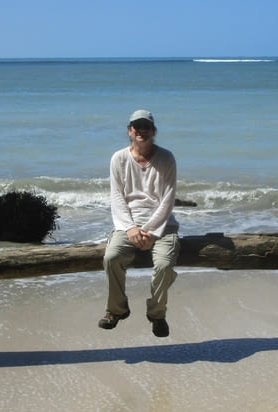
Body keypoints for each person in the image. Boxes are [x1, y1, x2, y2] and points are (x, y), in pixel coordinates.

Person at [98, 109, 180, 338]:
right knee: (111, 257)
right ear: (129, 131)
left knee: (164, 264)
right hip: (128, 224)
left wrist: (151, 232)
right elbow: (117, 198)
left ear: (154, 131)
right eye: (137, 126)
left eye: (146, 126)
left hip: (163, 226)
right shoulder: (119, 158)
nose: (141, 130)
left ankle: (157, 314)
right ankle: (116, 310)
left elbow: (168, 199)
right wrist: (131, 228)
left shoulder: (166, 158)